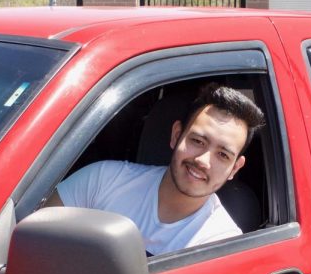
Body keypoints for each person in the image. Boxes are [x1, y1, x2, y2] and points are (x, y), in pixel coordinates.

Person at [47, 83, 265, 256]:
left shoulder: (220, 244)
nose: (203, 161)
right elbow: (30, 241)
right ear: (175, 135)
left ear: (235, 168)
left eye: (222, 155)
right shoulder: (102, 179)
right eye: (198, 141)